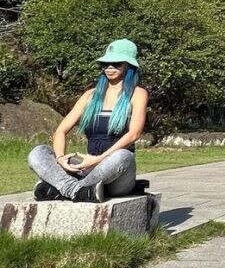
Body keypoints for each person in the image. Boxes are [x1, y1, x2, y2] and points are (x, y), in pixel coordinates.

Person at [27, 38, 149, 202]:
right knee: (38, 153)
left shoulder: (138, 94)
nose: (109, 68)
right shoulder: (90, 96)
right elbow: (61, 131)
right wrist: (61, 158)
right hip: (88, 167)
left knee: (123, 155)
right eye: (106, 64)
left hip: (117, 172)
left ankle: (58, 189)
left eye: (117, 63)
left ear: (129, 66)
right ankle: (79, 191)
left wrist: (98, 159)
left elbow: (134, 134)